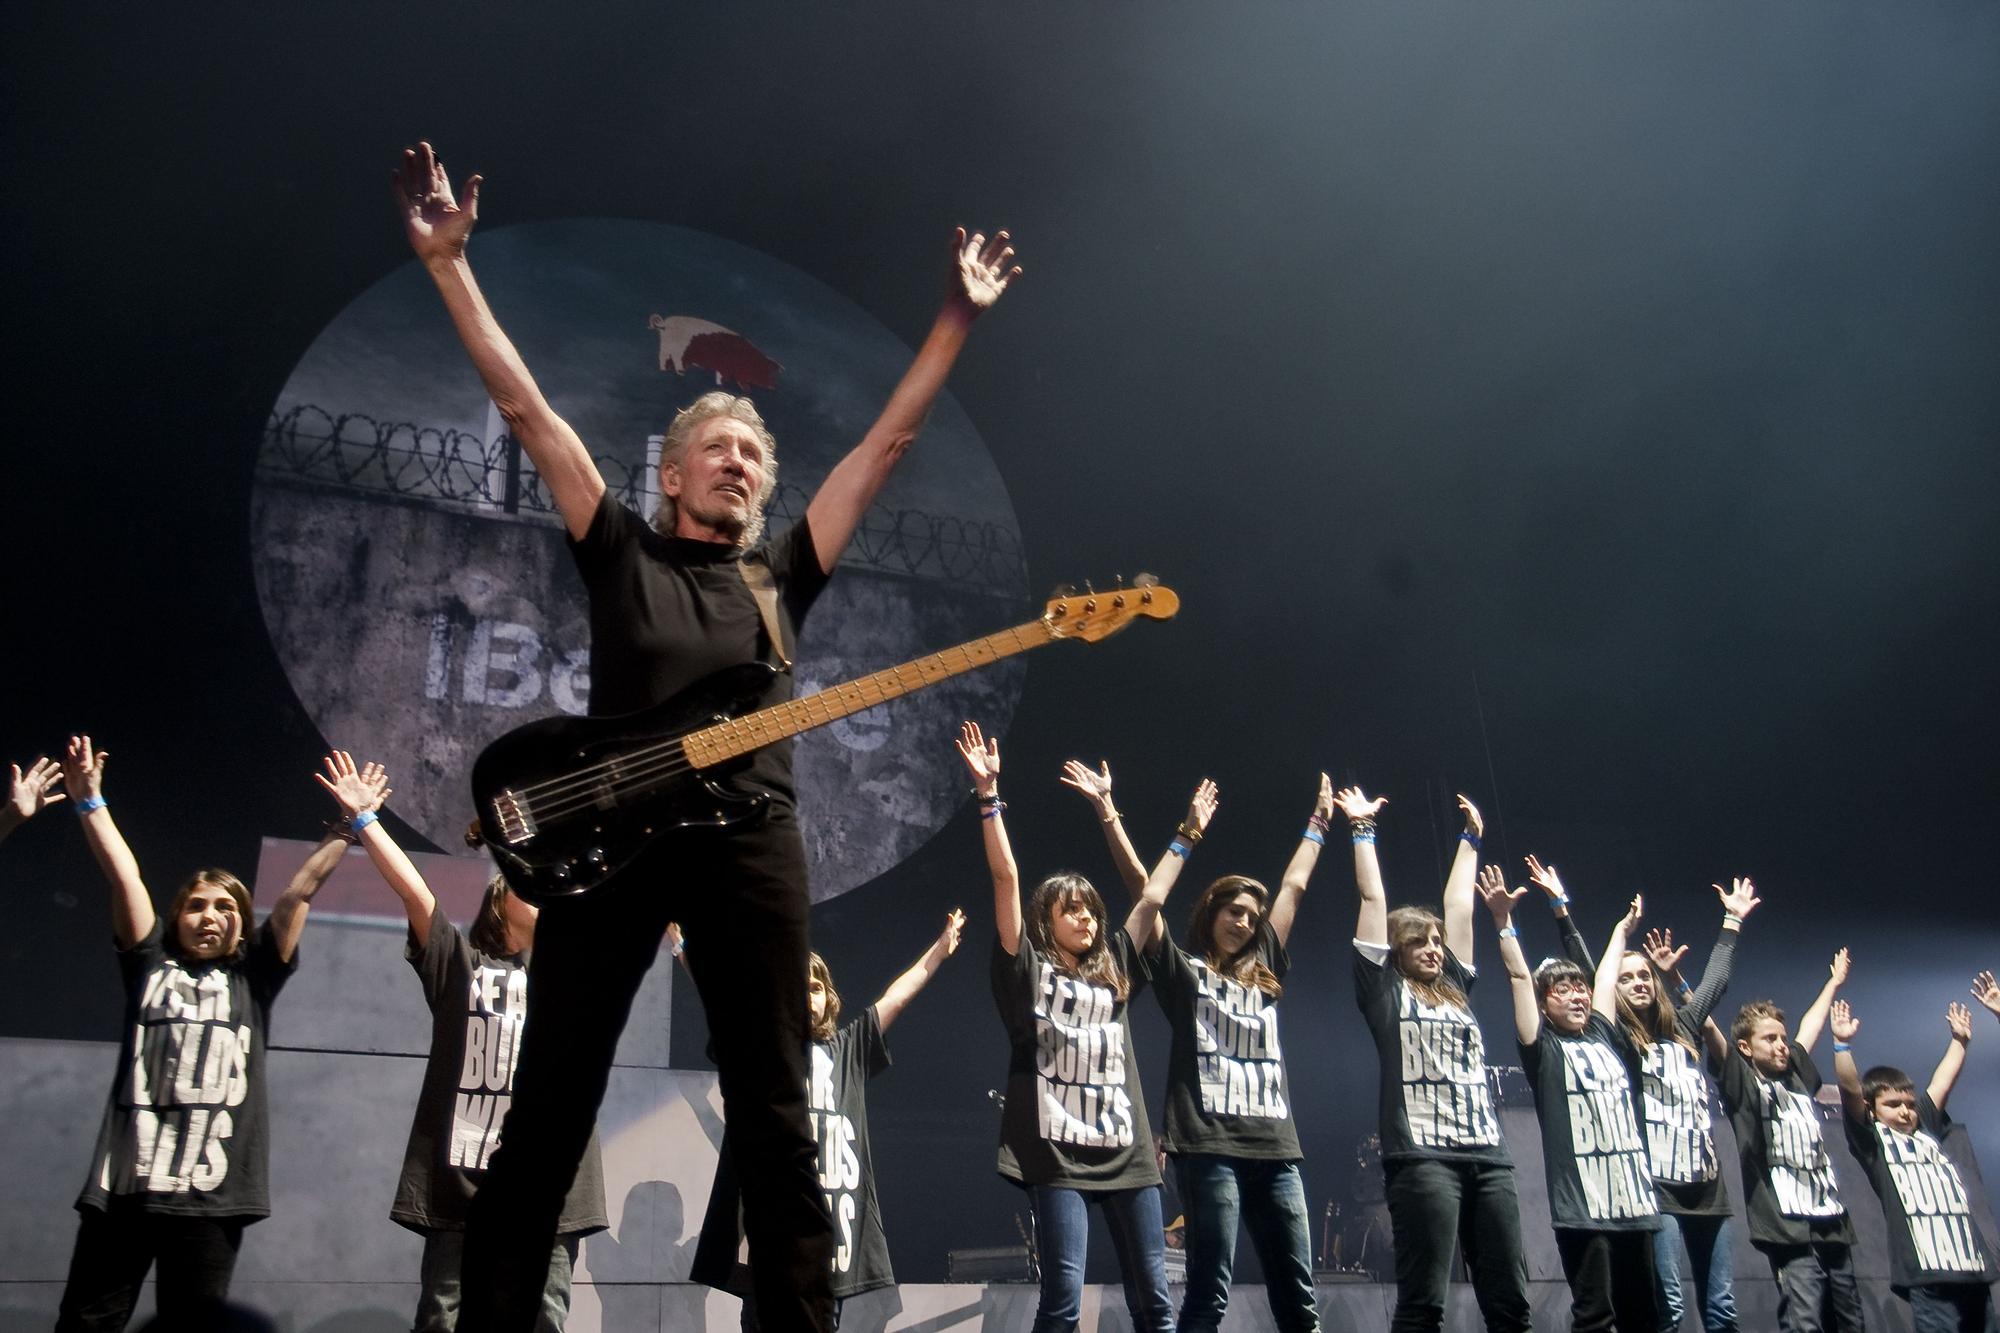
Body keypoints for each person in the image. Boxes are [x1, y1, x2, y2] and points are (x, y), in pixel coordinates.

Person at [395, 140, 1020, 1333]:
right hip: (610, 848)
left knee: (777, 1105)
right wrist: (446, 267)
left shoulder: (781, 577)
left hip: (748, 846)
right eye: (717, 450)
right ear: (671, 473)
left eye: (754, 455)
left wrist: (953, 318)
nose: (739, 463)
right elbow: (525, 406)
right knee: (550, 1098)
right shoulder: (620, 549)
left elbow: (883, 447)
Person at [53, 737, 359, 1331]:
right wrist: (91, 803)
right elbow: (125, 879)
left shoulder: (254, 976)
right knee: (87, 1322)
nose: (209, 916)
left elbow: (298, 893)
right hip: (125, 1188)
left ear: (241, 922)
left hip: (211, 1197)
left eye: (225, 906)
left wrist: (348, 830)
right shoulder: (148, 963)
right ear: (177, 917)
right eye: (196, 905)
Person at [324, 749, 608, 1331]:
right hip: (463, 1185)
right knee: (443, 1320)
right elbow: (415, 894)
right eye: (528, 890)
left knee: (544, 1318)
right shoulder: (460, 964)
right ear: (500, 909)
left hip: (549, 1188)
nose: (544, 897)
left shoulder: (571, 974)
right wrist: (364, 821)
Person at [958, 721, 1187, 1333]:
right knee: (1062, 1303)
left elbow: (1152, 896)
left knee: (1156, 1305)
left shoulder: (1115, 967)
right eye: (1072, 909)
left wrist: (1114, 812)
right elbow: (1006, 879)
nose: (1086, 917)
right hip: (1058, 1154)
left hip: (1129, 1152)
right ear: (1047, 921)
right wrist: (988, 796)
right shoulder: (1026, 971)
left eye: (1091, 908)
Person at [1104, 766, 1332, 1333]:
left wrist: (1319, 824)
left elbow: (1295, 888)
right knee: (1209, 1289)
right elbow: (1143, 891)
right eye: (1235, 911)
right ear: (1212, 914)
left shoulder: (1266, 972)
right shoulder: (1185, 974)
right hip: (1208, 1149)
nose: (1246, 921)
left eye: (1253, 917)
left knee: (1299, 1298)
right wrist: (1182, 832)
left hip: (1277, 1151)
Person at [691, 908, 968, 1329]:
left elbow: (895, 998)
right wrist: (683, 948)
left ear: (828, 997)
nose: (809, 996)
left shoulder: (848, 1049)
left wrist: (939, 952)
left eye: (816, 987)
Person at [1529, 858, 1756, 1332]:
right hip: (1655, 1187)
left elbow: (1715, 985)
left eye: (1645, 976)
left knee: (1722, 1310)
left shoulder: (1684, 1032)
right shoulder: (1615, 1039)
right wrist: (1561, 909)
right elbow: (1598, 973)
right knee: (1666, 1305)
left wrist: (1731, 922)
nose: (1637, 983)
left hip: (1708, 1186)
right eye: (1628, 978)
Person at [1339, 786, 1531, 1333]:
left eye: (1436, 942)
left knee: (1510, 1303)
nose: (1431, 947)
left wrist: (1471, 839)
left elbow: (1459, 908)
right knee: (1424, 1304)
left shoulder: (1456, 988)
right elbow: (1375, 902)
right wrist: (1362, 830)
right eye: (1418, 941)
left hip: (1489, 1159)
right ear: (1396, 951)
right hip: (1422, 1159)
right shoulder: (1381, 990)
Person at [1491, 874, 1660, 1331]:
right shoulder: (1542, 1049)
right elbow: (1519, 976)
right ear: (1546, 1005)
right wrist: (1504, 921)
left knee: (1644, 1317)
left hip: (1633, 1204)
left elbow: (1605, 974)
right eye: (1562, 990)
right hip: (1583, 1210)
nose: (1577, 994)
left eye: (1577, 987)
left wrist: (1622, 930)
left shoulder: (1605, 1032)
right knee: (1596, 1317)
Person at [1829, 994, 1998, 1333]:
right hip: (1928, 1272)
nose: (1905, 1111)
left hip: (1971, 1265)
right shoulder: (1873, 1141)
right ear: (1873, 1109)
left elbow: (1941, 1083)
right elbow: (1849, 1091)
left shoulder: (1926, 1129)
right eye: (1893, 1105)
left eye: (1908, 1103)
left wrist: (1960, 1041)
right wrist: (1842, 1046)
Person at [1717, 949, 1865, 1333]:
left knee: (1850, 1319)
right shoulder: (1744, 1084)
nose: (1782, 1045)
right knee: (1805, 1321)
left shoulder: (1796, 1073)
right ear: (1746, 1048)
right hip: (1787, 1225)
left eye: (1782, 1038)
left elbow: (1809, 1029)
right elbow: (1715, 1040)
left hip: (1830, 1219)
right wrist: (1684, 989)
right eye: (1770, 1039)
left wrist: (1833, 983)